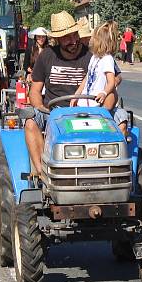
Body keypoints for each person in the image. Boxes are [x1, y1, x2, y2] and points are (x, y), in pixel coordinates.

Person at [25, 11, 93, 177]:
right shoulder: (47, 56)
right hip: (52, 112)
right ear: (57, 39)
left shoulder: (90, 57)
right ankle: (43, 173)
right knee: (30, 123)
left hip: (85, 112)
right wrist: (40, 107)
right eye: (66, 38)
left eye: (75, 35)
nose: (73, 41)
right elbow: (34, 90)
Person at [72, 22, 129, 137]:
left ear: (100, 41)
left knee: (112, 125)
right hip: (85, 103)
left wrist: (104, 92)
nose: (91, 41)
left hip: (96, 104)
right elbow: (88, 77)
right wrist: (77, 94)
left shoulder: (107, 59)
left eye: (93, 38)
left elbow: (111, 81)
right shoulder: (94, 57)